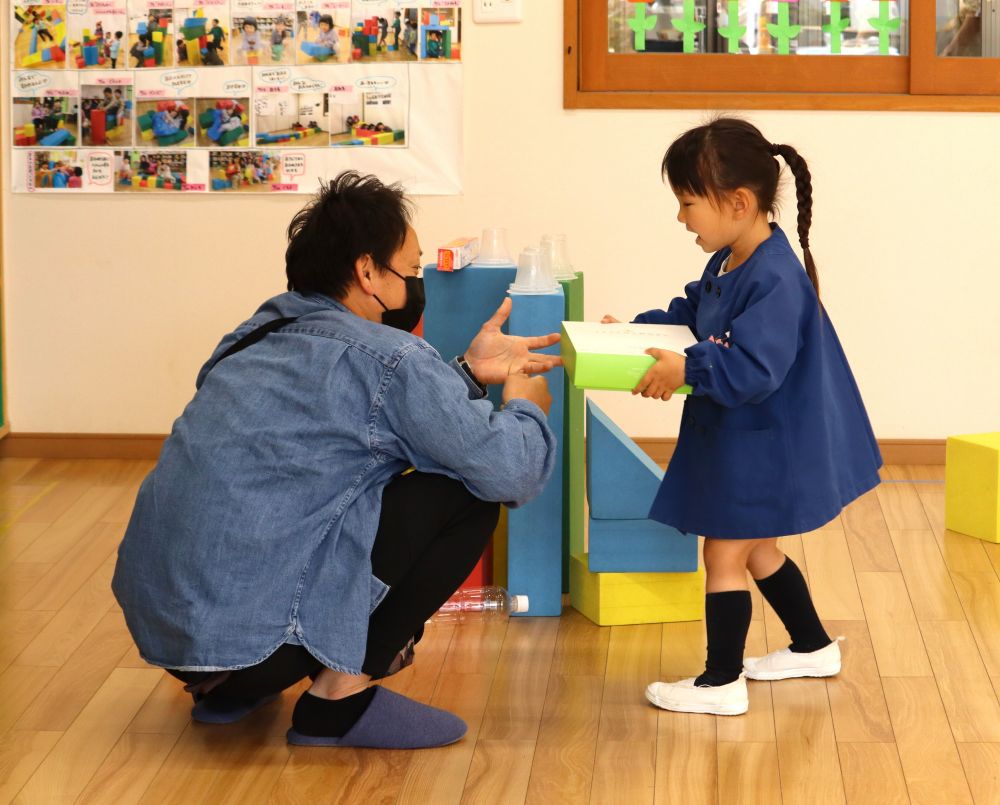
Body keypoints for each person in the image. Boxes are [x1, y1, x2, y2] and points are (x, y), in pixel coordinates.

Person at [112, 172, 560, 749]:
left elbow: (350, 423)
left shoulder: (251, 336)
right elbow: (510, 471)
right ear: (368, 271)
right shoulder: (390, 356)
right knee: (466, 493)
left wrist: (466, 374)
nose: (416, 285)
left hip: (168, 634)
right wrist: (525, 409)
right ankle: (337, 702)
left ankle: (226, 689)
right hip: (260, 644)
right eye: (412, 270)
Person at [603, 118, 882, 717]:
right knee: (757, 551)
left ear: (737, 202)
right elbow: (691, 314)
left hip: (771, 443)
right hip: (748, 438)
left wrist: (690, 370)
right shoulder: (731, 260)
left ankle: (721, 681)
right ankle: (812, 646)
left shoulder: (776, 276)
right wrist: (634, 332)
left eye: (687, 204)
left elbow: (755, 366)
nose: (682, 219)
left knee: (724, 554)